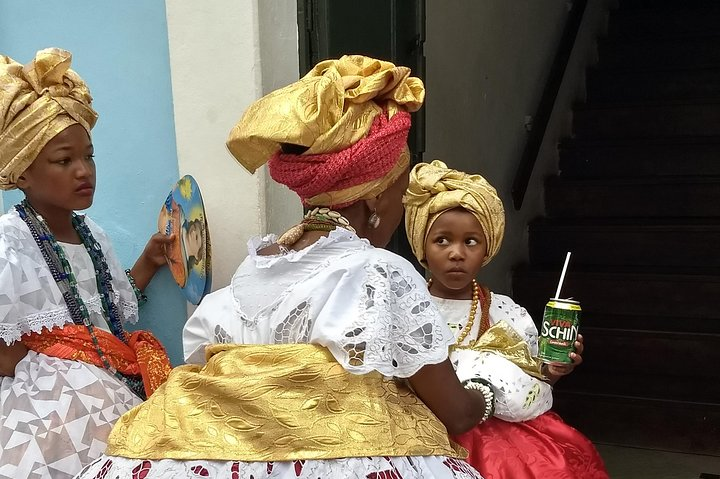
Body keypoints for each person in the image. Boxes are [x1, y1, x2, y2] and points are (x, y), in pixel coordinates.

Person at [76, 55, 487, 479]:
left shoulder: (245, 281)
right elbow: (456, 414)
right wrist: (487, 392)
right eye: (400, 191)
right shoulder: (379, 274)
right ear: (374, 201)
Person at [0, 48, 173, 479]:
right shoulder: (9, 243)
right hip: (47, 397)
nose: (84, 171)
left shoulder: (93, 234)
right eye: (64, 160)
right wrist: (63, 366)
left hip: (111, 372)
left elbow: (108, 307)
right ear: (22, 173)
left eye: (89, 156)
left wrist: (148, 263)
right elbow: (6, 351)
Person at [404, 159, 610, 479]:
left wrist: (554, 369)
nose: (456, 253)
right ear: (421, 248)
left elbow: (531, 381)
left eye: (470, 241)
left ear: (487, 250)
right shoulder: (407, 308)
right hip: (420, 433)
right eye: (442, 240)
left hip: (495, 441)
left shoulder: (503, 311)